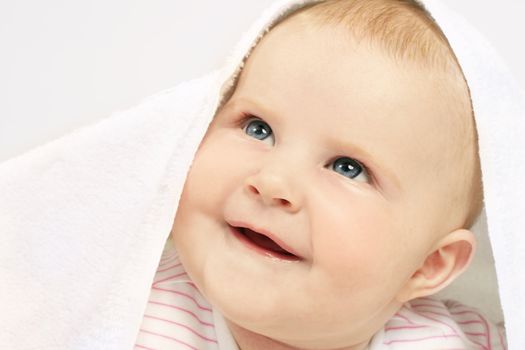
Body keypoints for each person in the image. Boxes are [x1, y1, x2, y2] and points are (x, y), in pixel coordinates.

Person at [135, 0, 505, 349]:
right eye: (257, 128)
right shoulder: (124, 314)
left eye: (348, 168)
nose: (272, 182)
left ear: (427, 265)